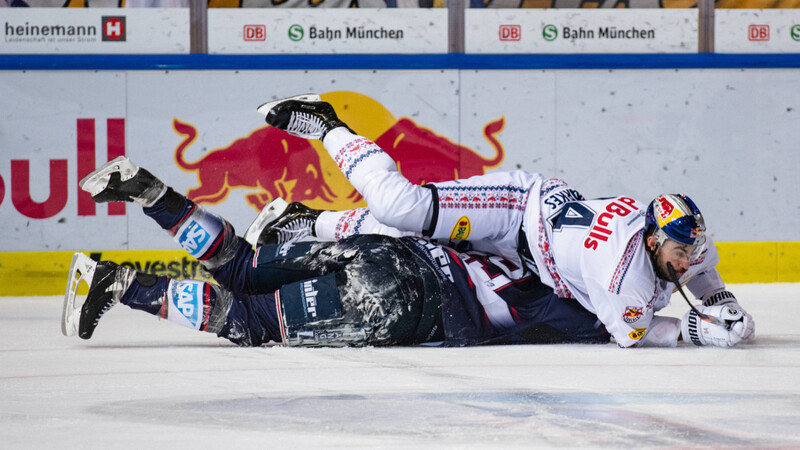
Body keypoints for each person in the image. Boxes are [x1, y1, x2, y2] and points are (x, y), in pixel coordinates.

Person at [251, 94, 756, 348]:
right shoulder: (619, 271)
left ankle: (307, 221)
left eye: (691, 249)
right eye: (679, 251)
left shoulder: (676, 245)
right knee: (402, 209)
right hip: (517, 208)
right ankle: (327, 123)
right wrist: (704, 327)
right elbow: (632, 334)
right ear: (650, 241)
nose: (688, 258)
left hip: (531, 257)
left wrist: (723, 302)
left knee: (408, 238)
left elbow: (702, 272)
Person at [62, 156, 619, 348]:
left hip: (379, 251)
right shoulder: (574, 298)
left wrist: (326, 225)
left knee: (239, 268)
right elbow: (618, 326)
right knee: (252, 323)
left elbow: (410, 214)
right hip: (396, 300)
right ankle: (116, 283)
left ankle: (150, 192)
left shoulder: (518, 228)